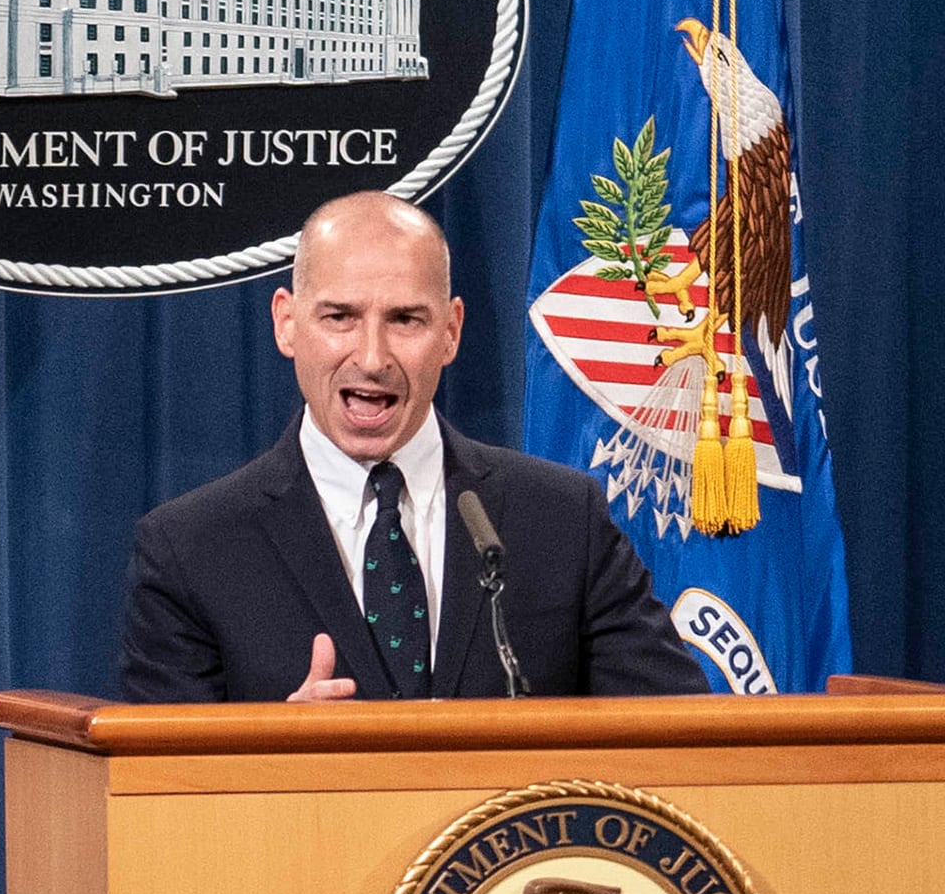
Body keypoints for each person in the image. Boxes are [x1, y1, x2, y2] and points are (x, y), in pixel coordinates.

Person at [120, 191, 706, 703]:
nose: (372, 358)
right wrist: (276, 756)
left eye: (405, 320)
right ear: (287, 323)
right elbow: (156, 796)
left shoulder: (559, 519)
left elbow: (676, 737)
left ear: (450, 332)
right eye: (340, 316)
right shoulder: (191, 550)